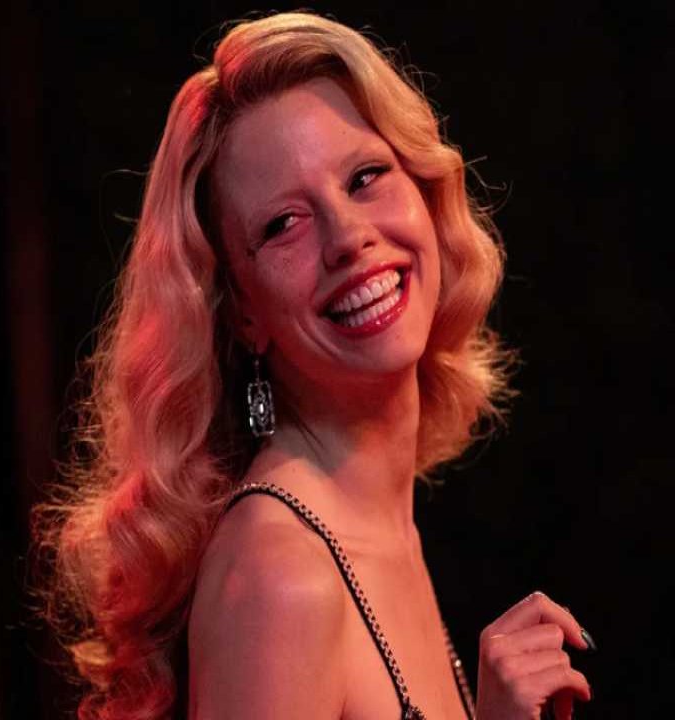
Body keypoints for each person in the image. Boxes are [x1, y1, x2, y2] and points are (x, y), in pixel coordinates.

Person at [44, 12, 594, 719]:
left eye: (365, 177)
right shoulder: (281, 576)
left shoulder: (371, 525)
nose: (348, 237)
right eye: (283, 224)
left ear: (425, 192)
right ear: (241, 311)